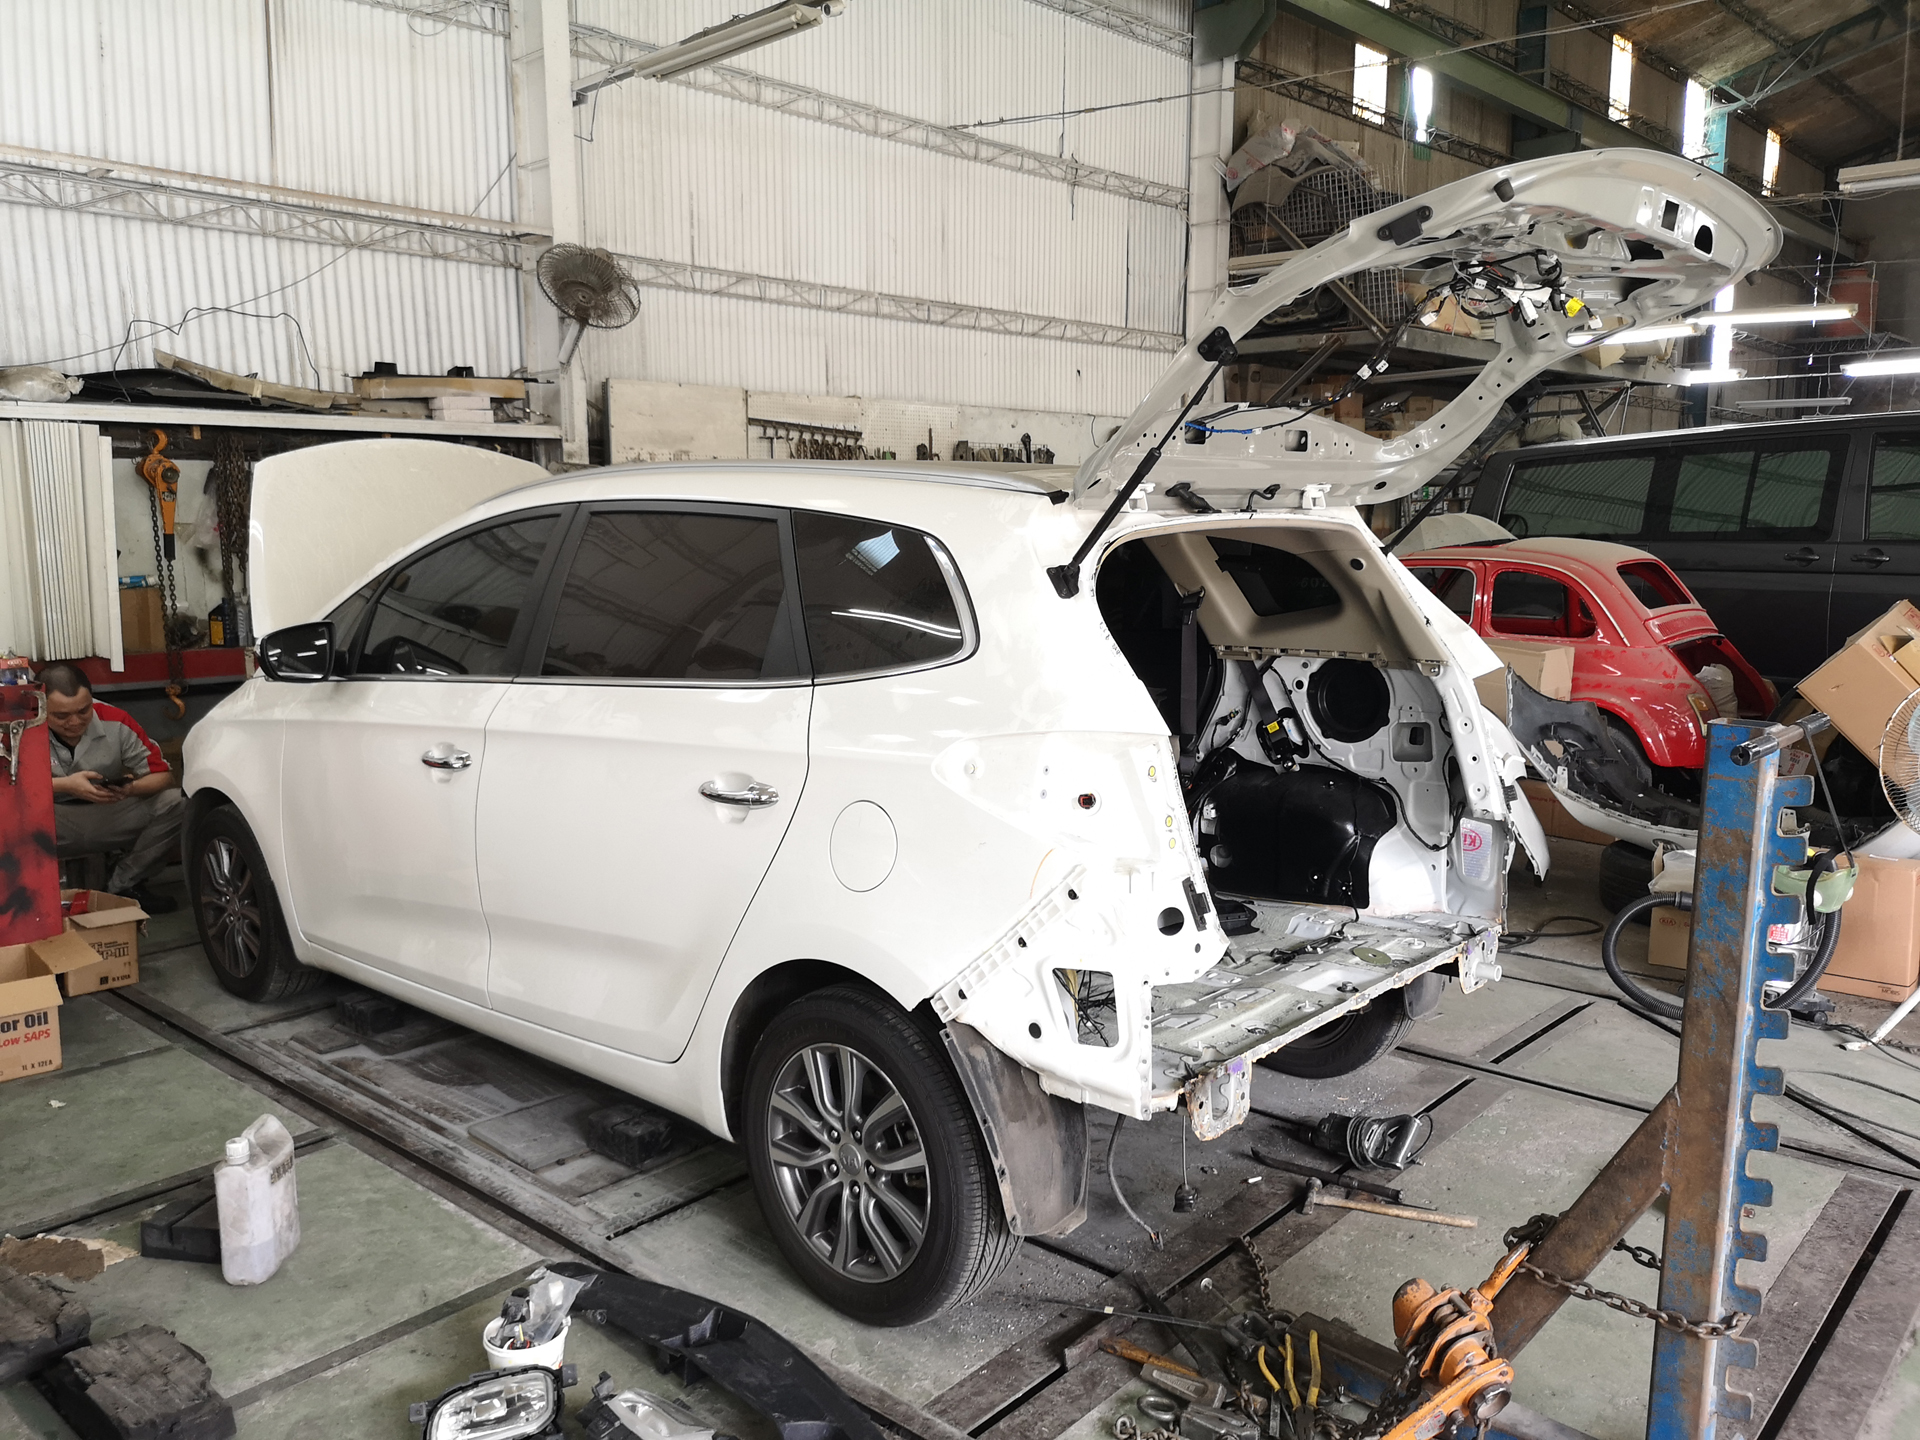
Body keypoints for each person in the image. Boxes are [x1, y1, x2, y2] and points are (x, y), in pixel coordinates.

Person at [42, 661, 183, 914]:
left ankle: (123, 883)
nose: (75, 722)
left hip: (108, 812)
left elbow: (163, 776)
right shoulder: (20, 728)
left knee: (176, 802)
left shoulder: (116, 720)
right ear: (41, 708)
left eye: (83, 711)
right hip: (50, 820)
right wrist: (66, 786)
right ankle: (27, 893)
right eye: (61, 716)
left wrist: (130, 789)